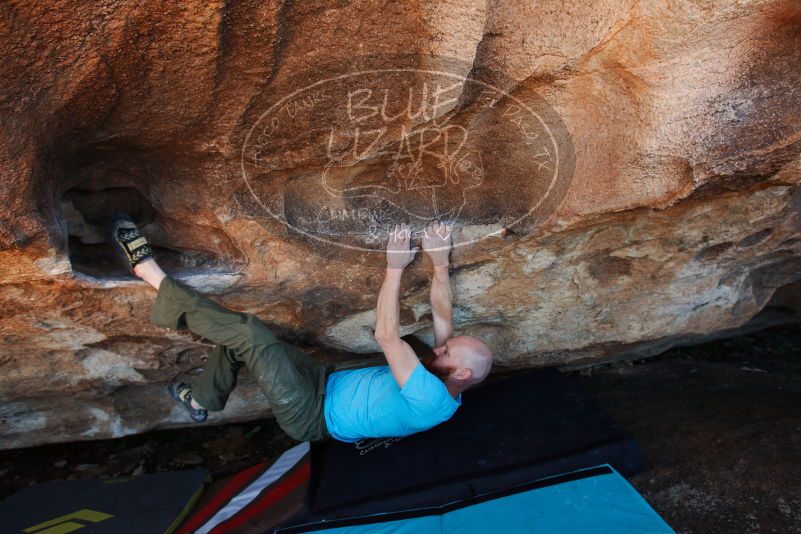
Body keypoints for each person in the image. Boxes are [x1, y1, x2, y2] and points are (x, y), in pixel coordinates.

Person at [111, 214, 493, 442]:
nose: (437, 347)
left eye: (445, 351)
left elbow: (386, 336)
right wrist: (439, 264)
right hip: (322, 379)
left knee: (249, 334)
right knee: (241, 344)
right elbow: (444, 317)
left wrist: (395, 267)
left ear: (461, 372)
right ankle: (201, 401)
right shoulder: (446, 372)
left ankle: (149, 273)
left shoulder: (430, 398)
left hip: (310, 414)